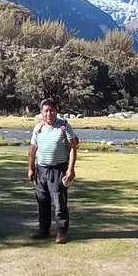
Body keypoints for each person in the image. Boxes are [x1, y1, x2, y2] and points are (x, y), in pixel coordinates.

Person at [28, 98, 78, 243]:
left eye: (51, 110)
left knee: (59, 202)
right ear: (41, 113)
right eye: (45, 111)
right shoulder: (38, 128)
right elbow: (32, 149)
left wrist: (70, 170)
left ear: (56, 111)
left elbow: (72, 148)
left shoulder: (64, 126)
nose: (48, 113)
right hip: (41, 170)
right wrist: (30, 168)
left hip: (58, 170)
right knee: (42, 201)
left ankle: (62, 232)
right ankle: (44, 229)